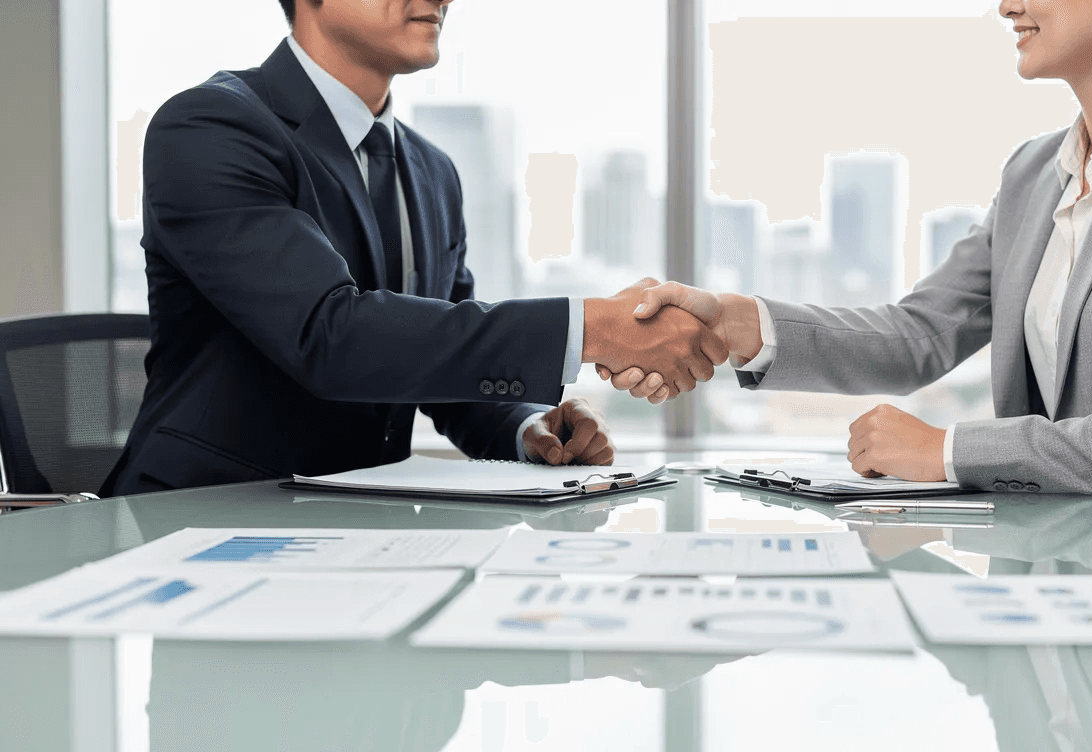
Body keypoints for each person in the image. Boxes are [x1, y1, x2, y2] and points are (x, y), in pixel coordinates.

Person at [607, 0, 1092, 508]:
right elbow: (920, 336)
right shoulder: (1035, 173)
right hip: (1072, 551)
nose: (1006, 6)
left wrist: (942, 451)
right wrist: (734, 322)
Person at [102, 0, 726, 496]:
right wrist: (591, 327)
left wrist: (524, 426)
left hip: (361, 525)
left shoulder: (432, 172)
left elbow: (435, 359)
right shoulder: (211, 128)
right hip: (202, 519)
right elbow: (331, 335)